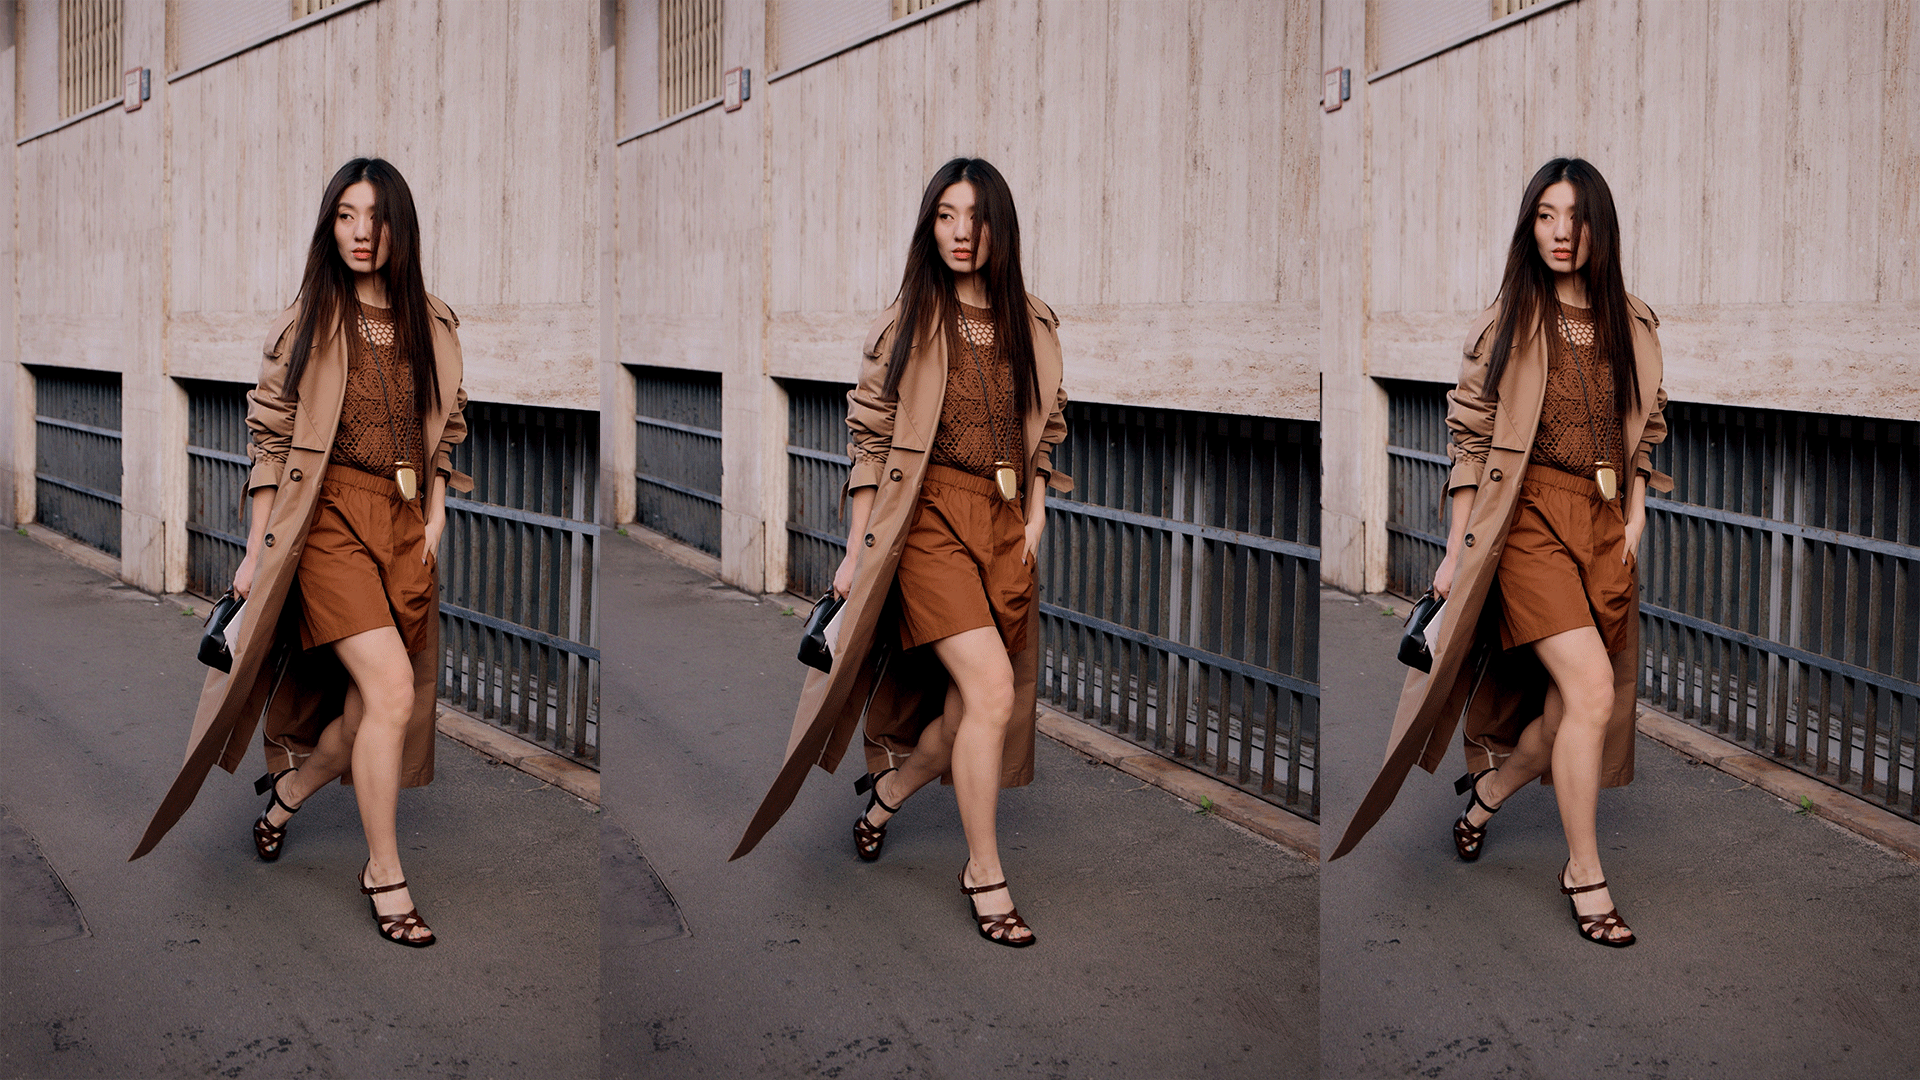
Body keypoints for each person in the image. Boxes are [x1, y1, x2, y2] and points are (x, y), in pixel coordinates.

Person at [729, 157, 1072, 948]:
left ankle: (887, 793)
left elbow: (1047, 431)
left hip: (1005, 523)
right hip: (924, 521)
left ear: (1000, 227)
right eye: (946, 216)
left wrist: (1035, 516)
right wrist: (856, 553)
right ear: (930, 225)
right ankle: (984, 872)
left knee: (973, 704)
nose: (960, 232)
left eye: (975, 217)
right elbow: (871, 442)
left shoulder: (1035, 322)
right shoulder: (909, 321)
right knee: (990, 687)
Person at [1331, 158, 1671, 948]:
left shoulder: (1635, 322)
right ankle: (1584, 872)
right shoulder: (1509, 321)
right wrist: (1456, 553)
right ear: (1530, 225)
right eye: (1546, 216)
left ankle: (1488, 792)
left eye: (1575, 217)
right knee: (1590, 686)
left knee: (1575, 704)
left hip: (1605, 523)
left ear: (1599, 227)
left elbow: (1647, 431)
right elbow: (1471, 443)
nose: (1560, 232)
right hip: (1525, 521)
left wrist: (1636, 516)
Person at [132, 158, 472, 949]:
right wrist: (255, 552)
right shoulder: (309, 322)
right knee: (391, 685)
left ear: (400, 227)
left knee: (374, 705)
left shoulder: (434, 321)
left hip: (406, 521)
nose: (361, 232)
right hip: (324, 518)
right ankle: (385, 872)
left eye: (376, 216)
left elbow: (449, 428)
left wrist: (437, 515)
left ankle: (289, 791)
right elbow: (270, 442)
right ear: (330, 224)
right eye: (346, 215)